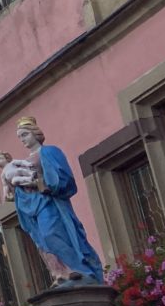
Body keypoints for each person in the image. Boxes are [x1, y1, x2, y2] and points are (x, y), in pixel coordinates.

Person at [9, 117, 104, 283]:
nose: (23, 139)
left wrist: (41, 183)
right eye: (20, 137)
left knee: (52, 233)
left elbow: (64, 178)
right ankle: (61, 273)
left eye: (25, 134)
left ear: (35, 133)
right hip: (35, 206)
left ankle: (80, 270)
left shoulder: (49, 152)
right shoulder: (24, 161)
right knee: (43, 240)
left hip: (50, 203)